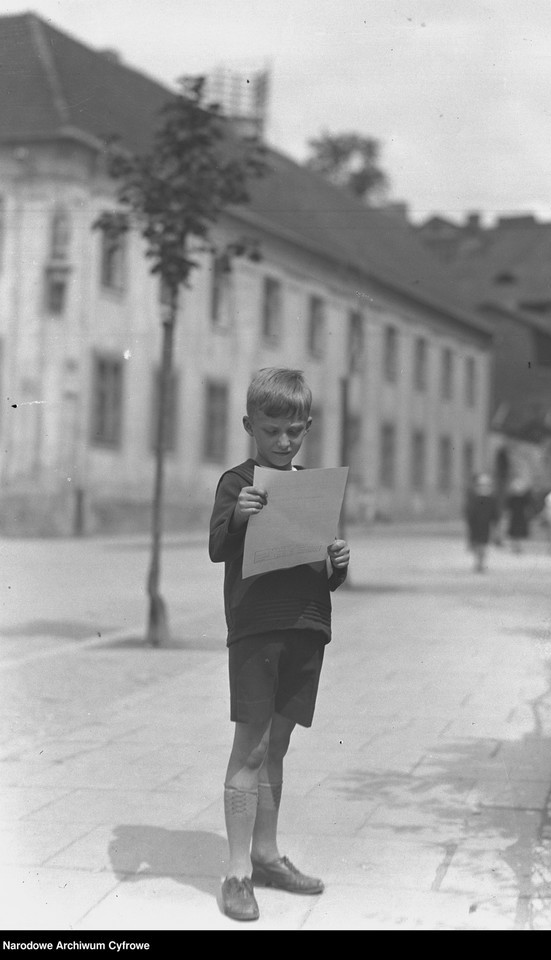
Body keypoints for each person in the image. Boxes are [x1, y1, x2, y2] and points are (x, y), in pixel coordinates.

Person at [208, 367, 350, 922]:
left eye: (295, 431)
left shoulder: (312, 487)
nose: (285, 441)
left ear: (307, 427)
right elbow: (218, 549)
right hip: (256, 627)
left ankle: (266, 855)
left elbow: (321, 567)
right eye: (272, 431)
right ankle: (238, 872)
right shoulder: (236, 482)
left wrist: (336, 565)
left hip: (306, 625)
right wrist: (240, 518)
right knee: (250, 746)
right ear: (250, 426)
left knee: (279, 746)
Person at [464, 472, 499, 572]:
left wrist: (495, 523)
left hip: (485, 524)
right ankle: (478, 562)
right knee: (476, 543)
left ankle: (481, 563)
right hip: (475, 524)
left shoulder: (491, 497)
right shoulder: (473, 496)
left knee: (483, 544)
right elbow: (469, 510)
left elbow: (494, 512)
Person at [504, 477, 533, 554]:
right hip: (514, 516)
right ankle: (514, 547)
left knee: (520, 532)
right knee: (514, 532)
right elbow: (508, 508)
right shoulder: (511, 498)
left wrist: (527, 516)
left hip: (521, 517)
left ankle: (519, 547)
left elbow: (527, 508)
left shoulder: (525, 498)